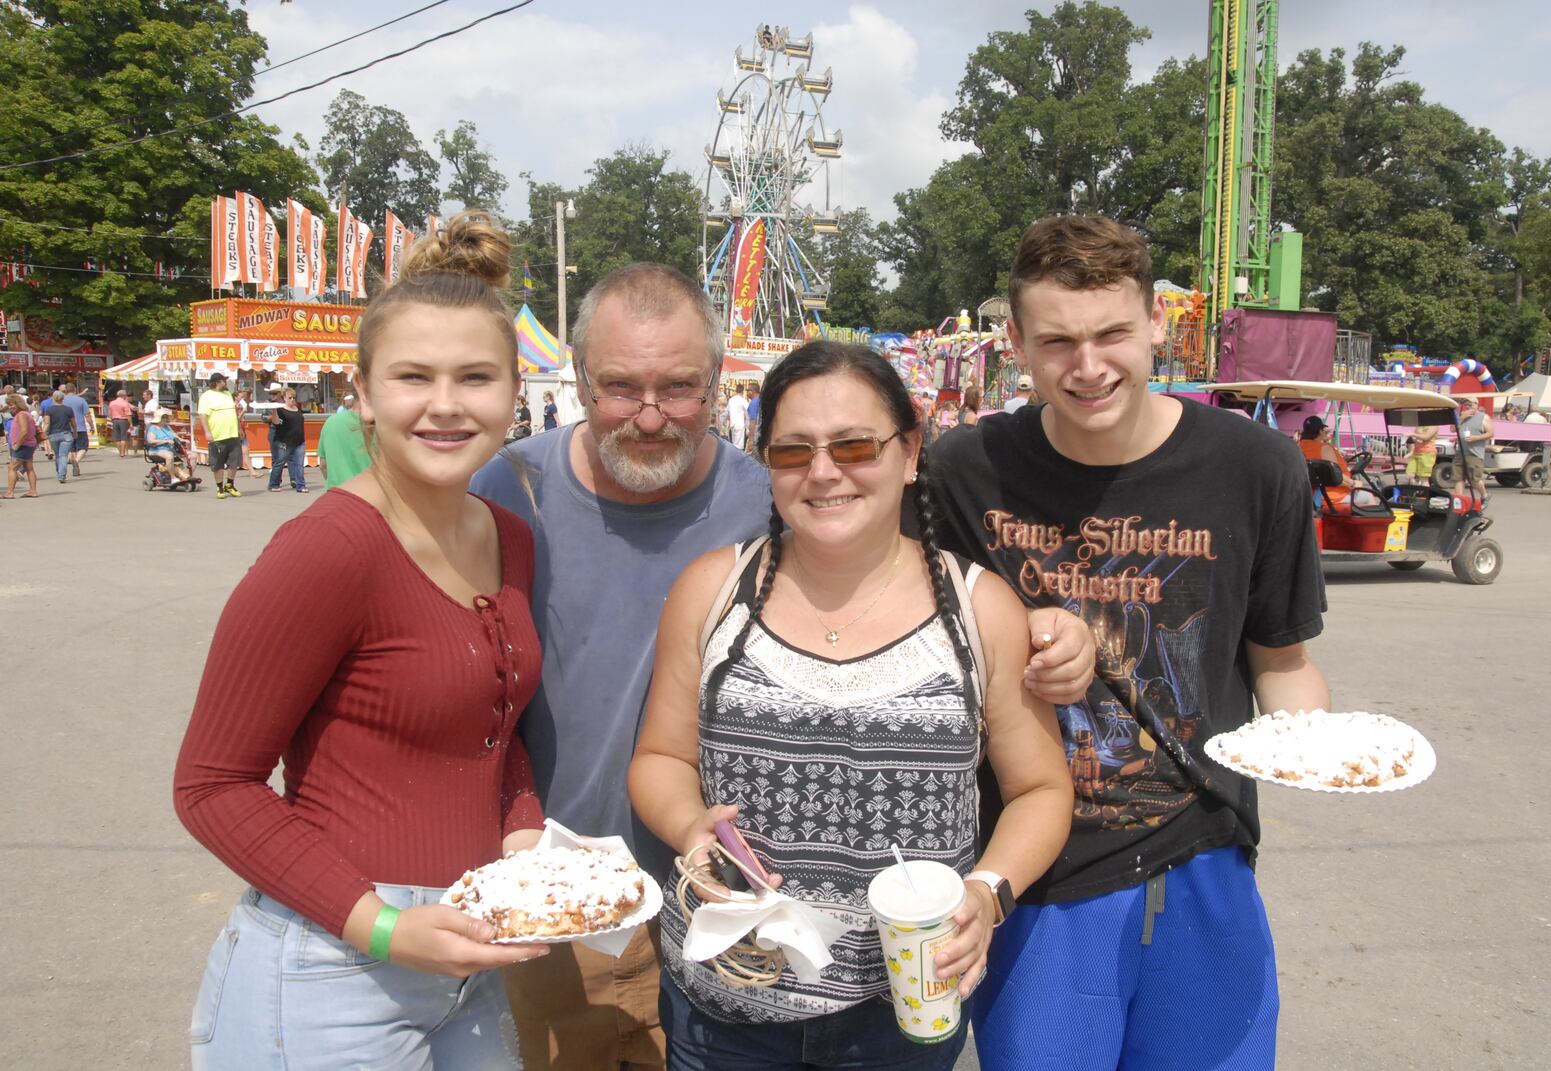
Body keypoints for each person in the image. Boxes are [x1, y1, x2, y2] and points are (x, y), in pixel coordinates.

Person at [931, 214, 1331, 1071]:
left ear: (1156, 321)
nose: (1088, 367)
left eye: (1112, 332)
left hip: (1203, 858)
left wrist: (1326, 749)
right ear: (1016, 342)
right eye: (1058, 341)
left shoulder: (1258, 467)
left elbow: (1282, 662)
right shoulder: (962, 470)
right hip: (1039, 878)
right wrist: (1018, 626)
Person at [631, 341, 1073, 1069]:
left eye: (856, 444)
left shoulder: (978, 607)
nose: (825, 471)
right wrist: (688, 823)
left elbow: (1041, 787)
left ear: (908, 452)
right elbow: (660, 756)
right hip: (724, 1003)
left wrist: (988, 892)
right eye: (792, 451)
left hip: (903, 1009)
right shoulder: (711, 592)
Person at [173, 212, 545, 1070]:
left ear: (513, 390)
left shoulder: (509, 536)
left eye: (476, 377)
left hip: (469, 962)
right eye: (414, 377)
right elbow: (211, 784)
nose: (446, 405)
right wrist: (381, 923)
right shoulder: (330, 549)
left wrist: (525, 845)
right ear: (366, 393)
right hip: (329, 965)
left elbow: (494, 729)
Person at [470, 262, 774, 1070]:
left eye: (678, 388)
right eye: (619, 388)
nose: (649, 417)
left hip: (730, 885)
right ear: (577, 379)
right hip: (569, 891)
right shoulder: (509, 489)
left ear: (715, 382)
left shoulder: (768, 502)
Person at [1297, 415, 1383, 511]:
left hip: (1312, 495)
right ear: (1320, 431)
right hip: (1334, 496)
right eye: (1324, 430)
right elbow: (1334, 475)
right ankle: (1370, 526)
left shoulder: (1299, 447)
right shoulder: (1324, 448)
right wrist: (1353, 483)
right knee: (1368, 496)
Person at [198, 372, 243, 499]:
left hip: (232, 433)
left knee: (234, 461)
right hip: (217, 435)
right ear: (217, 382)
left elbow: (233, 412)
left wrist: (239, 427)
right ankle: (220, 487)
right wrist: (207, 432)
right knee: (218, 463)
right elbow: (202, 415)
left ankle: (230, 484)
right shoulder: (207, 396)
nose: (226, 382)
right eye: (224, 380)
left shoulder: (227, 393)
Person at [317, 403, 373, 489]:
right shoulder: (383, 426)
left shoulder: (330, 422)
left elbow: (323, 465)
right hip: (370, 494)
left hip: (337, 493)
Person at [268, 389, 309, 493]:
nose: (292, 400)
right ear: (284, 398)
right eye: (289, 398)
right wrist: (274, 410)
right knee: (279, 462)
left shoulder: (296, 409)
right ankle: (274, 483)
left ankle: (301, 485)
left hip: (299, 441)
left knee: (299, 464)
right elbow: (276, 422)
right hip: (284, 441)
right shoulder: (281, 409)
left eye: (293, 398)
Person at [1454, 396, 1493, 503]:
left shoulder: (1483, 417)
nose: (1468, 407)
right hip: (1460, 451)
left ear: (1476, 405)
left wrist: (1476, 438)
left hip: (1474, 453)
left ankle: (1484, 495)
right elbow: (1453, 429)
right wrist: (1461, 418)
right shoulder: (1461, 416)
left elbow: (1490, 433)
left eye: (1470, 405)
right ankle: (1459, 502)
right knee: (1458, 478)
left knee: (1475, 479)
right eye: (1466, 405)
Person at [4, 393, 40, 498]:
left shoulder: (21, 415)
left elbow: (24, 431)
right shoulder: (25, 414)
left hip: (23, 445)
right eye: (9, 405)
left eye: (12, 404)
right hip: (29, 444)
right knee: (29, 468)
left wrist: (17, 444)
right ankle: (33, 491)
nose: (10, 407)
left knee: (12, 468)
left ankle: (10, 492)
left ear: (18, 404)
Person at [145, 408, 194, 484]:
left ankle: (186, 475)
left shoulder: (167, 427)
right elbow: (151, 441)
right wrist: (164, 441)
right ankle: (173, 478)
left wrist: (183, 440)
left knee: (193, 456)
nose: (165, 419)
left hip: (171, 449)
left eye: (166, 417)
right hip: (156, 450)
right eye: (164, 417)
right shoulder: (153, 428)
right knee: (169, 456)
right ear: (159, 418)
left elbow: (175, 436)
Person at [41, 389, 77, 483]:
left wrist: (43, 432)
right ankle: (62, 475)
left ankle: (59, 473)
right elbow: (73, 423)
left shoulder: (49, 409)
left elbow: (47, 422)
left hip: (54, 434)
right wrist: (75, 432)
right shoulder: (68, 409)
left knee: (58, 455)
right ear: (63, 398)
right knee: (63, 455)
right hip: (66, 434)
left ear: (53, 398)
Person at [64, 384, 92, 477]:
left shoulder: (62, 400)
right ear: (75, 390)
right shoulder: (81, 400)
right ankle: (76, 461)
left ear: (65, 390)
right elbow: (87, 415)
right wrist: (92, 425)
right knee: (83, 447)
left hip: (66, 427)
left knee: (71, 448)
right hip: (80, 427)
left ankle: (72, 462)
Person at [1403, 416, 1439, 486]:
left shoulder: (1434, 425)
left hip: (1427, 452)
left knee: (1424, 478)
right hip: (1416, 452)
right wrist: (1415, 439)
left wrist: (1413, 434)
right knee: (1409, 475)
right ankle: (1416, 487)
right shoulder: (1420, 425)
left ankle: (1425, 493)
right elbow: (1415, 438)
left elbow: (1426, 437)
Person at [107, 390, 134, 458]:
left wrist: (111, 420)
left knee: (117, 438)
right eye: (125, 395)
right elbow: (128, 414)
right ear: (123, 396)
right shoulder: (125, 403)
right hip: (123, 420)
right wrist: (131, 424)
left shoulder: (112, 403)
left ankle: (120, 452)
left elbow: (109, 413)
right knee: (123, 437)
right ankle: (123, 452)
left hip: (115, 420)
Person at [726, 385, 750, 450]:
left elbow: (727, 412)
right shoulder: (742, 400)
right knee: (739, 446)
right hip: (740, 424)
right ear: (742, 391)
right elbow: (749, 410)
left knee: (734, 444)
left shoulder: (731, 400)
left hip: (732, 424)